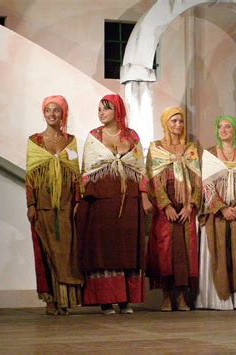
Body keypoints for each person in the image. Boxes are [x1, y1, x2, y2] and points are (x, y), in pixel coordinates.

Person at [76, 94, 151, 315]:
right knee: (104, 249)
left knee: (126, 248)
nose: (101, 113)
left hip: (128, 200)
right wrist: (81, 200)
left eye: (106, 109)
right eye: (99, 109)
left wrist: (145, 197)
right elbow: (87, 171)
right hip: (101, 200)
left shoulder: (131, 136)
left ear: (117, 111)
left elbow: (140, 169)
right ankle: (106, 300)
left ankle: (125, 300)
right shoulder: (93, 137)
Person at [26, 95, 83, 315]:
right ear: (44, 113)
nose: (52, 114)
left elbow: (75, 173)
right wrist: (31, 203)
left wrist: (77, 201)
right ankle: (50, 299)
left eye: (56, 110)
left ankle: (65, 299)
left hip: (66, 205)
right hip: (43, 204)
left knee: (66, 252)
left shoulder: (71, 141)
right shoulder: (35, 141)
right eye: (48, 110)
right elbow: (30, 175)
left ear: (63, 114)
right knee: (46, 250)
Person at [196, 116, 236, 310]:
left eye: (228, 126)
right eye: (220, 127)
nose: (224, 130)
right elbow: (206, 184)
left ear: (235, 130)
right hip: (216, 213)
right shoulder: (209, 154)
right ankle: (218, 300)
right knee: (219, 252)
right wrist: (222, 208)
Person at [145, 107, 201, 311]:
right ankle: (167, 296)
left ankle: (182, 297)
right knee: (165, 249)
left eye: (181, 121)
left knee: (185, 251)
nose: (178, 125)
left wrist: (190, 204)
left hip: (185, 207)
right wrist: (165, 205)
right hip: (166, 208)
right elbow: (152, 178)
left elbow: (197, 179)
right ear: (165, 124)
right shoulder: (156, 148)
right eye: (174, 121)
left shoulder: (190, 149)